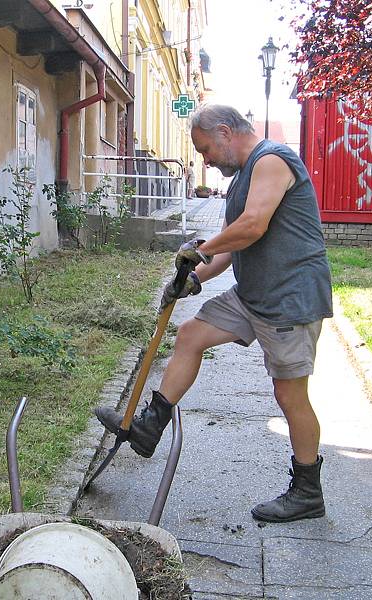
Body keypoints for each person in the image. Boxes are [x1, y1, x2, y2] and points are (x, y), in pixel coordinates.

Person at [95, 104, 333, 523]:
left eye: (205, 150)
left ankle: (308, 492)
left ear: (225, 132)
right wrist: (194, 279)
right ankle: (151, 425)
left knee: (289, 395)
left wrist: (200, 250)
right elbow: (232, 246)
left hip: (290, 298)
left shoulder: (273, 160)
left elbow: (253, 225)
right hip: (252, 294)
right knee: (190, 334)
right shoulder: (242, 176)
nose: (204, 160)